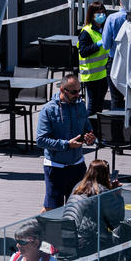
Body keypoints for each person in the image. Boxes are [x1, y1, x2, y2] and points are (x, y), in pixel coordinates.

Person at [36, 73, 96, 211]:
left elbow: (88, 129)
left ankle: (71, 233)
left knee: (77, 208)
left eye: (79, 91)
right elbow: (40, 140)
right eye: (74, 92)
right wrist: (66, 144)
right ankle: (43, 230)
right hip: (55, 167)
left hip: (77, 165)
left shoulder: (80, 106)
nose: (78, 95)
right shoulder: (48, 110)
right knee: (52, 210)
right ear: (62, 90)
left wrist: (90, 138)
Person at [76, 0, 110, 117]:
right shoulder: (86, 32)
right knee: (92, 107)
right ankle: (87, 133)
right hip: (91, 75)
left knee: (99, 106)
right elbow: (84, 51)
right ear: (92, 15)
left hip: (103, 74)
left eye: (103, 12)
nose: (101, 15)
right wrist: (99, 44)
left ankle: (96, 133)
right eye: (98, 13)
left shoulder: (104, 29)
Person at [101, 8, 128, 109]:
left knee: (116, 99)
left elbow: (106, 45)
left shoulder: (112, 18)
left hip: (115, 61)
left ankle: (117, 124)